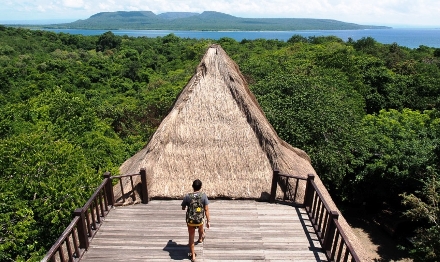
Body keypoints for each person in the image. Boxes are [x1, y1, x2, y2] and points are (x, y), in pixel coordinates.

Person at [181, 179, 210, 262]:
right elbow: (206, 209)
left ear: (192, 186)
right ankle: (201, 238)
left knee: (191, 236)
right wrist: (208, 221)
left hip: (190, 220)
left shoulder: (187, 196)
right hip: (199, 219)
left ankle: (193, 255)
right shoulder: (203, 196)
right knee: (201, 228)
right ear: (200, 187)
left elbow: (183, 208)